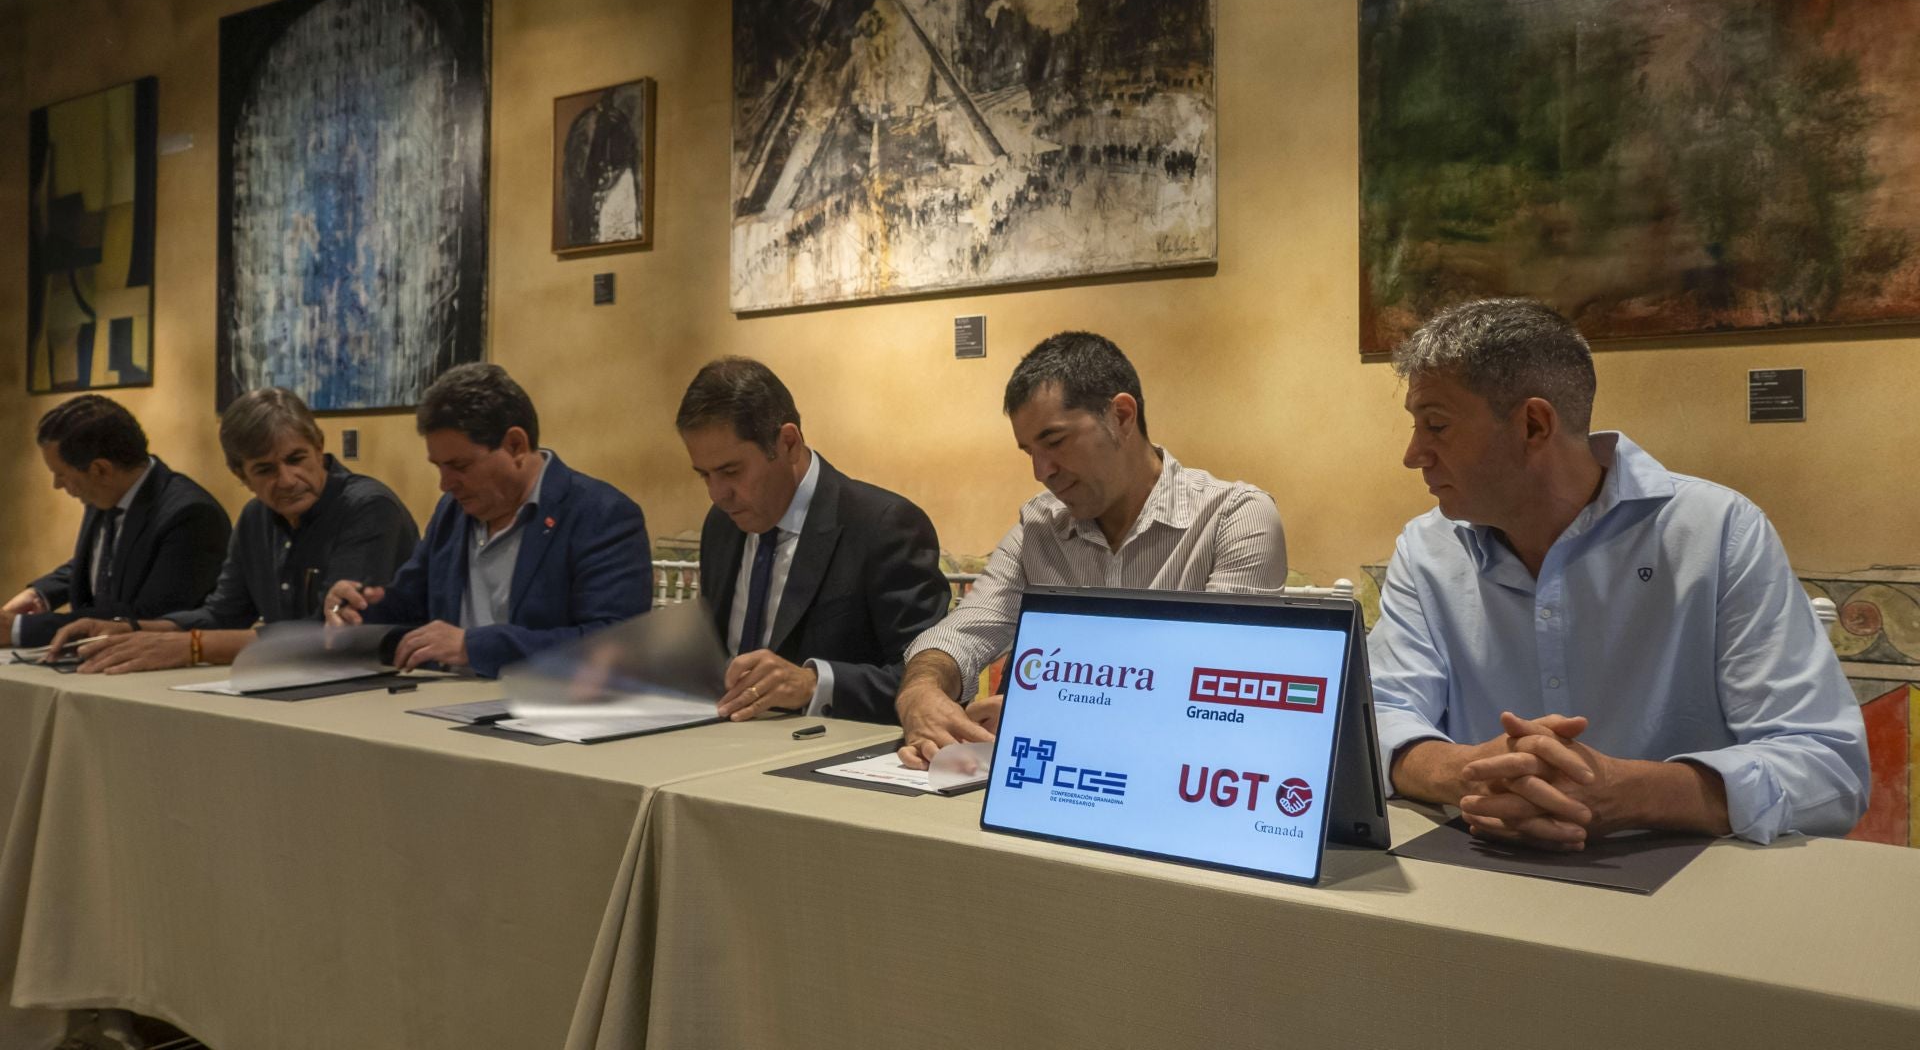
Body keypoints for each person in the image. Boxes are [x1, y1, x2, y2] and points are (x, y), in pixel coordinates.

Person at [1369, 298, 1869, 848]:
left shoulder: (1715, 531)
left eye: (1436, 426)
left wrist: (1628, 793)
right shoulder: (1428, 548)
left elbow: (1828, 768)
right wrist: (1471, 773)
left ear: (1534, 425)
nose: (1413, 454)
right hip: (1475, 864)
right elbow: (1378, 716)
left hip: (1692, 880)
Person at [895, 331, 1288, 767]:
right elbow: (963, 632)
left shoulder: (1234, 516)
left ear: (1121, 416)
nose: (1041, 471)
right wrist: (921, 691)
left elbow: (1219, 689)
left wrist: (1050, 718)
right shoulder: (1038, 527)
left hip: (1186, 778)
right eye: (1029, 451)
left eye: (1055, 441)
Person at [48, 388, 419, 673]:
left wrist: (194, 647)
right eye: (265, 470)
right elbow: (222, 615)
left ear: (319, 447)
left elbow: (332, 634)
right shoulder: (255, 517)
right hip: (297, 681)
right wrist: (131, 629)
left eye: (296, 459)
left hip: (381, 681)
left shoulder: (367, 507)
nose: (287, 479)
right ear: (241, 476)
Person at [323, 363, 651, 677]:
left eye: (460, 466)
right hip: (439, 703)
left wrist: (474, 647)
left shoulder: (600, 514)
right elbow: (410, 602)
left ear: (515, 445)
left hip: (545, 707)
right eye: (439, 467)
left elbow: (613, 646)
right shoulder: (453, 511)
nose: (445, 484)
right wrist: (357, 608)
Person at [676, 357, 950, 724]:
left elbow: (934, 683)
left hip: (827, 750)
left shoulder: (883, 526)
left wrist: (814, 684)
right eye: (704, 475)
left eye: (731, 471)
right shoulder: (721, 525)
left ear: (788, 443)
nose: (717, 494)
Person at [3, 395, 229, 649]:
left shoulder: (191, 515)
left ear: (101, 470)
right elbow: (105, 562)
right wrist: (42, 593)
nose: (57, 485)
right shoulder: (105, 493)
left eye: (61, 475)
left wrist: (20, 630)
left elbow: (149, 616)